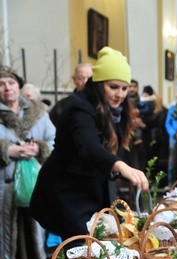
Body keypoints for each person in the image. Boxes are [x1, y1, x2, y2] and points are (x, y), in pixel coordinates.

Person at [30, 47, 148, 240]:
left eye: (124, 88)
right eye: (114, 87)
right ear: (99, 83)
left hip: (91, 191)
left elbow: (111, 149)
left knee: (95, 251)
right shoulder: (78, 107)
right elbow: (88, 145)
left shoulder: (117, 112)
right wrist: (119, 165)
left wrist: (123, 172)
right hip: (67, 192)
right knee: (79, 252)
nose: (120, 94)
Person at [0, 65, 55, 259]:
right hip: (6, 185)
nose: (7, 88)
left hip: (35, 183)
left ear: (19, 86)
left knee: (38, 227)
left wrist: (39, 148)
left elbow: (55, 140)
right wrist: (7, 149)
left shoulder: (38, 113)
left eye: (11, 83)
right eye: (1, 84)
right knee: (12, 232)